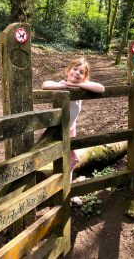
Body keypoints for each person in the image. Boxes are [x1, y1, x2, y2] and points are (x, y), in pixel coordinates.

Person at [42, 57, 105, 193]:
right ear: (67, 71)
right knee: (68, 159)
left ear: (84, 77)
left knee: (71, 159)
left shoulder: (82, 87)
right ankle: (60, 189)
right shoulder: (62, 84)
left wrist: (79, 85)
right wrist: (62, 86)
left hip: (70, 130)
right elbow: (45, 84)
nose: (77, 73)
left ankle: (65, 189)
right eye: (75, 69)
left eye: (81, 72)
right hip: (59, 130)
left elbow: (101, 88)